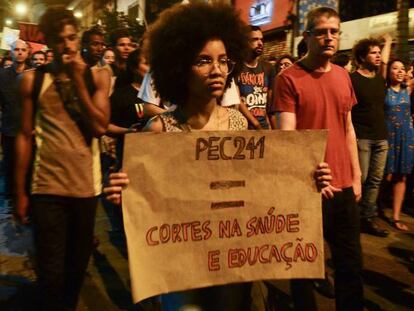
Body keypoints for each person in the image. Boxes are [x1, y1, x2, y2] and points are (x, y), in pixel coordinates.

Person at [104, 3, 333, 310]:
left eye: (224, 61)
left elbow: (262, 184)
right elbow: (143, 198)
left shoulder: (238, 124)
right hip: (181, 264)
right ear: (179, 67)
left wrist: (307, 179)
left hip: (231, 258)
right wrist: (124, 190)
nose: (217, 70)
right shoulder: (159, 128)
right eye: (203, 61)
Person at [13, 6, 110, 310]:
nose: (67, 45)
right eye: (60, 40)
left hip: (85, 191)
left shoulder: (98, 77)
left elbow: (98, 127)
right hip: (47, 190)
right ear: (50, 44)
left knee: (75, 273)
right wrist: (19, 193)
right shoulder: (33, 80)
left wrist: (78, 81)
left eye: (71, 38)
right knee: (50, 276)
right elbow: (24, 136)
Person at [275, 7, 363, 311]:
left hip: (344, 187)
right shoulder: (288, 78)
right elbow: (287, 138)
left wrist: (356, 175)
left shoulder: (343, 76)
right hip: (308, 189)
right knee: (303, 267)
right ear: (307, 35)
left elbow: (348, 129)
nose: (329, 37)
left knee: (351, 266)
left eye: (334, 31)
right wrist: (306, 175)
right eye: (322, 31)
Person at [351, 36, 392, 237]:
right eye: (373, 52)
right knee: (361, 178)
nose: (378, 56)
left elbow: (385, 61)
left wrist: (389, 42)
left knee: (375, 180)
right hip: (362, 137)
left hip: (381, 137)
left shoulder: (379, 78)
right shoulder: (353, 79)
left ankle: (368, 218)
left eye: (378, 52)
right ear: (362, 56)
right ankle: (351, 218)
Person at [383, 59, 414, 231]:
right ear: (388, 71)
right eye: (395, 68)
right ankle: (372, 210)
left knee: (402, 176)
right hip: (388, 137)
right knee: (384, 176)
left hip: (406, 137)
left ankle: (395, 217)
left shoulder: (408, 89)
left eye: (403, 69)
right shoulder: (383, 90)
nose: (400, 71)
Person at [0, 39, 30, 200]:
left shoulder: (32, 75)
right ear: (11, 52)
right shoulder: (2, 75)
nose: (19, 52)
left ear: (27, 52)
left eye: (22, 49)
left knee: (27, 165)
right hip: (9, 129)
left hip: (28, 130)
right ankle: (11, 198)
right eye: (16, 49)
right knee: (9, 165)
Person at [236, 25, 276, 129]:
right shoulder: (236, 67)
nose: (260, 43)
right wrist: (256, 124)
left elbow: (270, 105)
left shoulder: (268, 68)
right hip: (244, 129)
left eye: (261, 39)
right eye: (255, 39)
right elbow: (237, 101)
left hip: (264, 128)